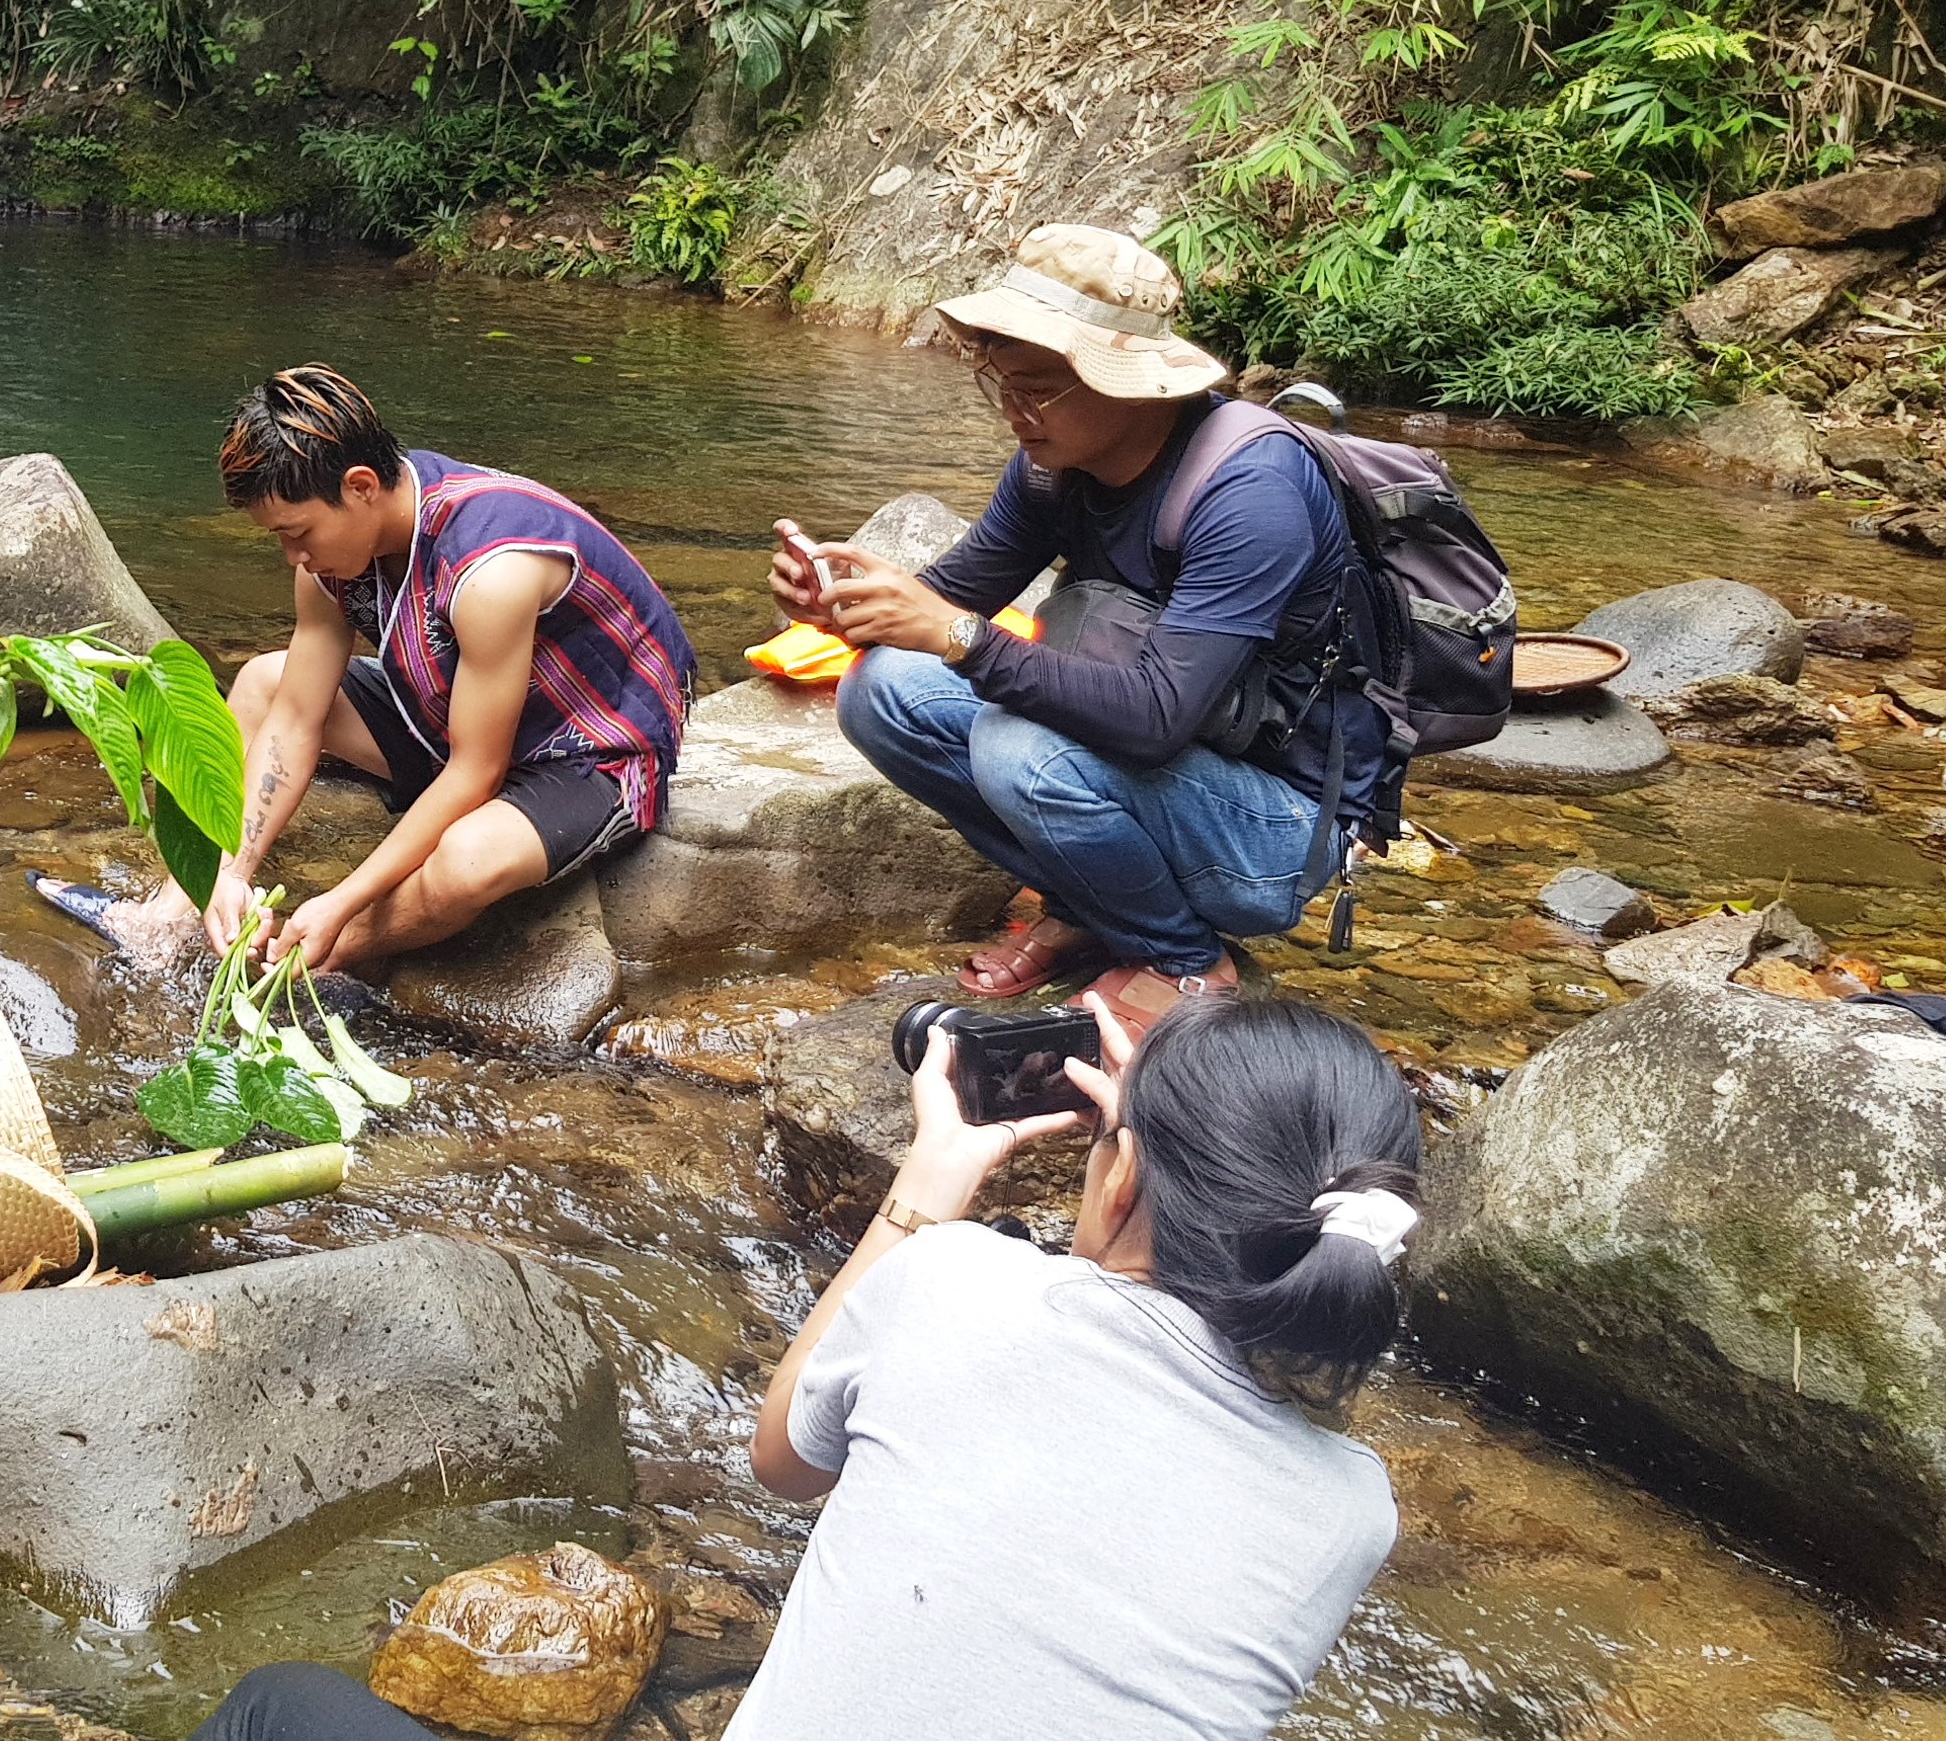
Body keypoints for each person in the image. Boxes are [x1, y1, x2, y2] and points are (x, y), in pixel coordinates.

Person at [184, 991, 1422, 1741]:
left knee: (279, 1704)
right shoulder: (1352, 1510)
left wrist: (924, 1195)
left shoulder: (959, 1281)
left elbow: (781, 1459)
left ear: (1123, 1167)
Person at [769, 222, 1387, 1025]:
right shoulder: (1049, 467)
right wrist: (839, 607)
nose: (1011, 411)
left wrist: (957, 636)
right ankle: (1090, 908)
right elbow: (950, 597)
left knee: (1018, 746)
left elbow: (1153, 721)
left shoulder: (1249, 489)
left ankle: (1188, 963)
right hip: (1168, 770)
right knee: (881, 690)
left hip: (1277, 833)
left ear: (1128, 382)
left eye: (1035, 387)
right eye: (1000, 383)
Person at [92, 365, 692, 973]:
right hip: (452, 709)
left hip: (589, 753)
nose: (293, 556)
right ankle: (176, 910)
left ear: (359, 487)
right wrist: (230, 868)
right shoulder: (330, 559)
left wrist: (343, 900)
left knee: (466, 861)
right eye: (278, 537)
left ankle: (299, 964)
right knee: (263, 684)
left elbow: (474, 772)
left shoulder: (490, 574)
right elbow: (297, 719)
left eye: (298, 533)